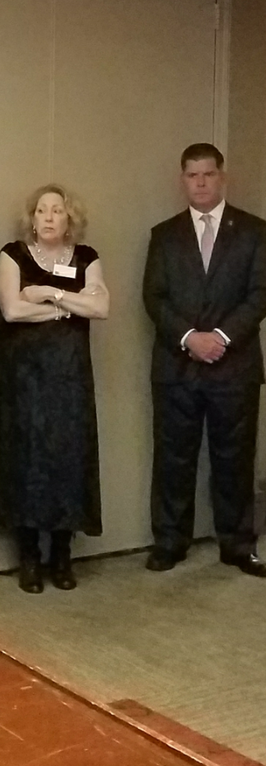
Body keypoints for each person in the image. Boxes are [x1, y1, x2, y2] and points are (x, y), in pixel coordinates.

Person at [143, 143, 266, 576]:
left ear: (222, 177)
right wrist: (190, 338)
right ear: (182, 180)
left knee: (235, 458)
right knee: (173, 458)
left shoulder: (254, 231)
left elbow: (259, 295)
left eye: (208, 174)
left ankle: (236, 544)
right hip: (177, 366)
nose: (200, 182)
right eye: (192, 175)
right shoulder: (165, 234)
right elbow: (153, 298)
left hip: (235, 367)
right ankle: (170, 542)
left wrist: (222, 337)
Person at [0, 184, 109, 593]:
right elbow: (11, 309)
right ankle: (29, 557)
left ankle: (62, 555)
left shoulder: (86, 257)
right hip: (23, 376)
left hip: (70, 374)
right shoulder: (13, 254)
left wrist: (49, 293)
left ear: (69, 217)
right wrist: (70, 305)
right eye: (42, 211)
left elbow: (101, 308)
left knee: (67, 458)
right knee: (25, 459)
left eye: (57, 210)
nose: (50, 217)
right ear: (32, 218)